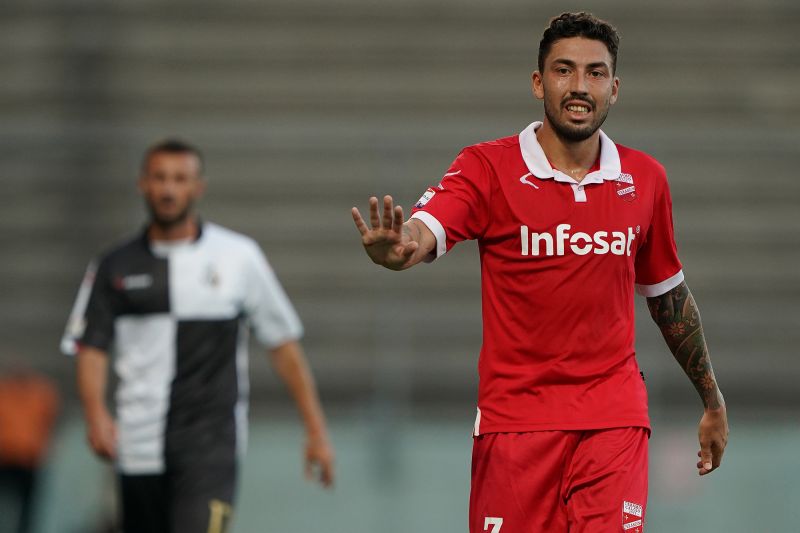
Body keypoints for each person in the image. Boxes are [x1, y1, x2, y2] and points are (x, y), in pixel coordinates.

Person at [352, 12, 728, 532]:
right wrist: (397, 249)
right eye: (564, 70)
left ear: (614, 88)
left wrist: (711, 398)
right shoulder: (486, 167)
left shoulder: (645, 179)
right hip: (515, 427)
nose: (580, 87)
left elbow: (668, 297)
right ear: (538, 82)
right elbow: (422, 232)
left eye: (595, 73)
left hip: (613, 421)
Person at [62, 139, 335, 533]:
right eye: (159, 178)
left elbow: (282, 343)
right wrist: (95, 413)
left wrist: (316, 431)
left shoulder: (238, 257)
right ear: (142, 184)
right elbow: (91, 345)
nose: (168, 189)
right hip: (138, 446)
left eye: (179, 179)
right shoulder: (113, 266)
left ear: (198, 187)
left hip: (211, 447)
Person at [0, 367, 59, 533]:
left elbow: (48, 422)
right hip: (7, 457)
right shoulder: (6, 394)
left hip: (28, 459)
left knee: (27, 506)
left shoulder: (41, 395)